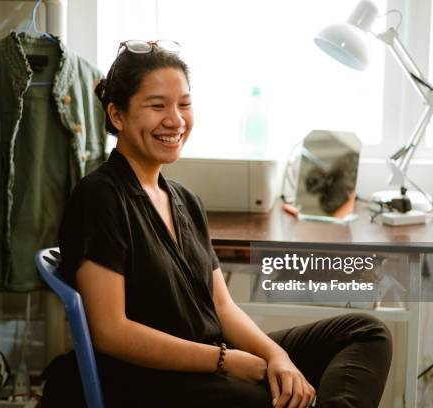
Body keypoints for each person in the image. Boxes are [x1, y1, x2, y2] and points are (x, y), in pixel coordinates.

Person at [54, 40, 392, 408]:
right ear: (117, 115)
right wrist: (225, 361)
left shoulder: (185, 201)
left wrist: (276, 355)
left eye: (184, 104)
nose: (176, 120)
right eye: (157, 106)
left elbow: (222, 307)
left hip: (211, 358)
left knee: (366, 331)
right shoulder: (100, 197)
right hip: (150, 379)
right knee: (269, 398)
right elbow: (110, 332)